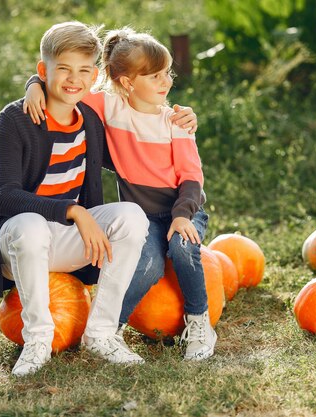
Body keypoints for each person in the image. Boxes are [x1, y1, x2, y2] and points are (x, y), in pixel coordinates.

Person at [0, 21, 157, 377]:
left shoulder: (90, 120)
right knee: (31, 225)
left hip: (67, 241)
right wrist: (72, 210)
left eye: (84, 71)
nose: (74, 79)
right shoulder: (15, 118)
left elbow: (137, 137)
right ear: (43, 71)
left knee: (132, 216)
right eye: (63, 70)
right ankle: (38, 339)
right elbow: (4, 197)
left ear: (95, 76)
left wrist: (177, 121)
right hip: (19, 242)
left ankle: (101, 333)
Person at [24, 27, 215, 360]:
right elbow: (69, 87)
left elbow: (191, 176)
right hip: (143, 218)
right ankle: (109, 329)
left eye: (166, 73)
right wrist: (34, 86)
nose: (166, 82)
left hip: (183, 209)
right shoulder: (111, 108)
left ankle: (199, 322)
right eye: (155, 76)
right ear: (128, 83)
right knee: (148, 267)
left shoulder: (176, 122)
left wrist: (183, 214)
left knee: (183, 248)